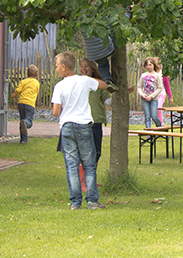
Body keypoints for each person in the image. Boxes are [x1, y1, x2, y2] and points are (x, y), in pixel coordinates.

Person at [51, 51, 107, 210]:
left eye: (56, 67)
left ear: (63, 67)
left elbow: (56, 112)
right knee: (89, 164)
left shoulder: (59, 86)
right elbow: (102, 85)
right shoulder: (84, 81)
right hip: (84, 125)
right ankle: (92, 201)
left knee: (72, 165)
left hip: (67, 127)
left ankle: (75, 202)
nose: (56, 70)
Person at [78, 58, 111, 192]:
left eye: (86, 66)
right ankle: (82, 183)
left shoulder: (98, 84)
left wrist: (122, 95)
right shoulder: (78, 82)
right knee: (85, 153)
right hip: (83, 122)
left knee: (96, 152)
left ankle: (91, 180)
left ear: (92, 68)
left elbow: (108, 100)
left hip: (96, 121)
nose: (84, 69)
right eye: (81, 66)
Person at [10, 64, 40, 144]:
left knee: (22, 120)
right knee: (28, 122)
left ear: (27, 74)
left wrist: (14, 95)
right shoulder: (36, 83)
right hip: (29, 104)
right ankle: (25, 123)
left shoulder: (23, 81)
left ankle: (23, 140)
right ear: (37, 74)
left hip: (21, 103)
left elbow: (18, 90)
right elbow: (36, 92)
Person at [137, 57, 164, 129]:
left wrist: (152, 96)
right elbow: (139, 87)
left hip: (153, 99)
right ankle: (149, 133)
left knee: (154, 116)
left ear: (153, 65)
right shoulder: (143, 75)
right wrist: (142, 94)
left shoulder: (157, 76)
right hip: (144, 98)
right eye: (147, 65)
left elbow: (160, 88)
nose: (148, 67)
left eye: (150, 65)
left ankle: (160, 128)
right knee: (147, 116)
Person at [154, 57, 173, 126]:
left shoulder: (163, 73)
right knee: (154, 111)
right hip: (154, 95)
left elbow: (167, 85)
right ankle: (159, 125)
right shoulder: (152, 74)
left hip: (162, 94)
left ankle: (161, 124)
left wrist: (170, 97)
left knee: (158, 108)